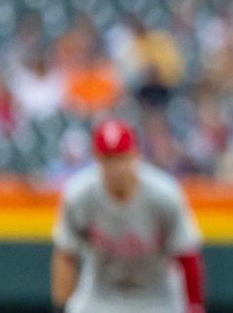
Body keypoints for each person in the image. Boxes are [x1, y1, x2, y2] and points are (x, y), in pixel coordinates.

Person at [51, 119, 205, 313]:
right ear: (97, 159)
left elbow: (187, 254)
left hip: (157, 296)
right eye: (108, 159)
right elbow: (66, 254)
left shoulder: (163, 193)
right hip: (100, 296)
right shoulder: (80, 194)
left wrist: (194, 306)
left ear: (135, 154)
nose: (116, 168)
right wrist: (61, 306)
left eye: (121, 157)